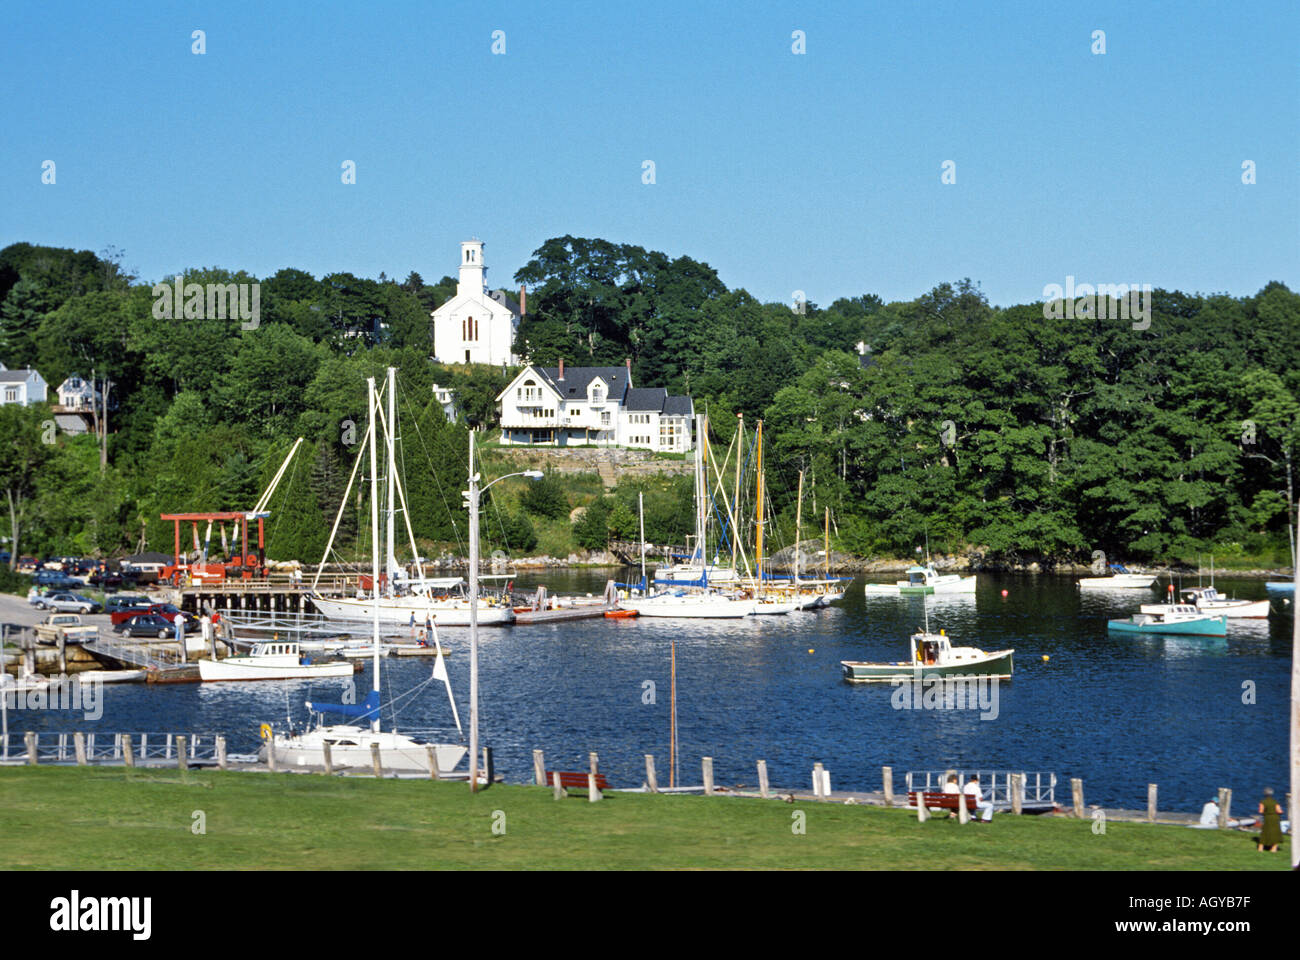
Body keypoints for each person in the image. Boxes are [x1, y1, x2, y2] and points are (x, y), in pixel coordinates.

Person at [1256, 787, 1283, 852]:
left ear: (1264, 794)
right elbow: (1279, 811)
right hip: (1275, 818)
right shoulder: (1275, 802)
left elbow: (1261, 811)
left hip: (1267, 818)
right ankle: (1273, 848)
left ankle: (1260, 848)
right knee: (1275, 832)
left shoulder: (1263, 802)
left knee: (1265, 832)